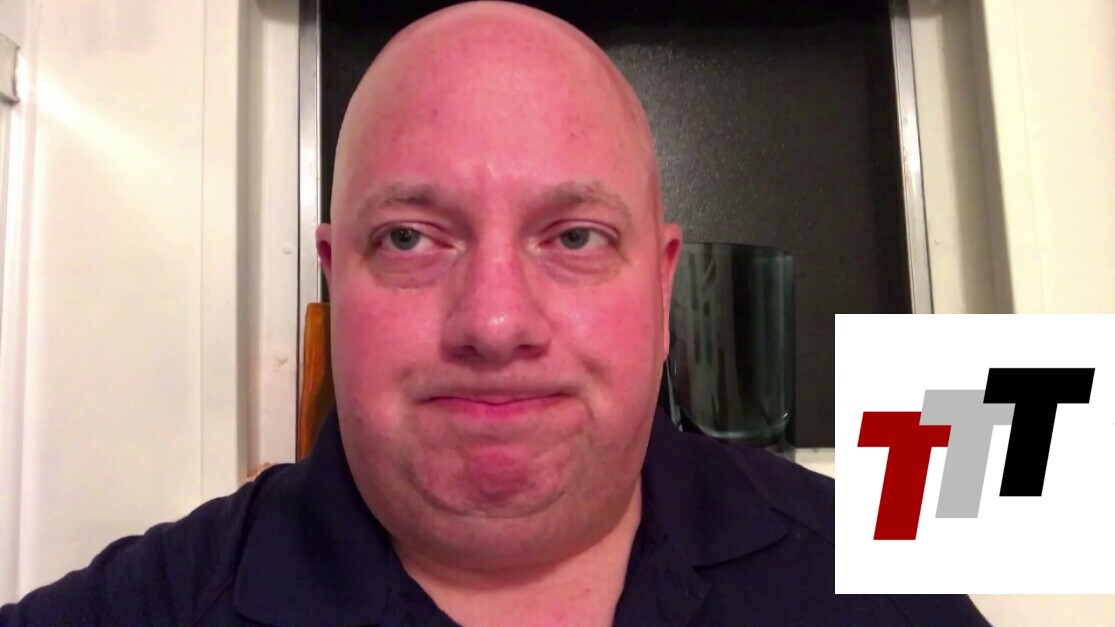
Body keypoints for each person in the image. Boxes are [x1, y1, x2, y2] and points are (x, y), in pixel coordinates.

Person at [1, 2, 989, 625]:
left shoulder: (883, 587)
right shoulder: (145, 607)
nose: (495, 322)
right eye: (410, 238)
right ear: (334, 280)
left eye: (573, 237)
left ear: (660, 287)